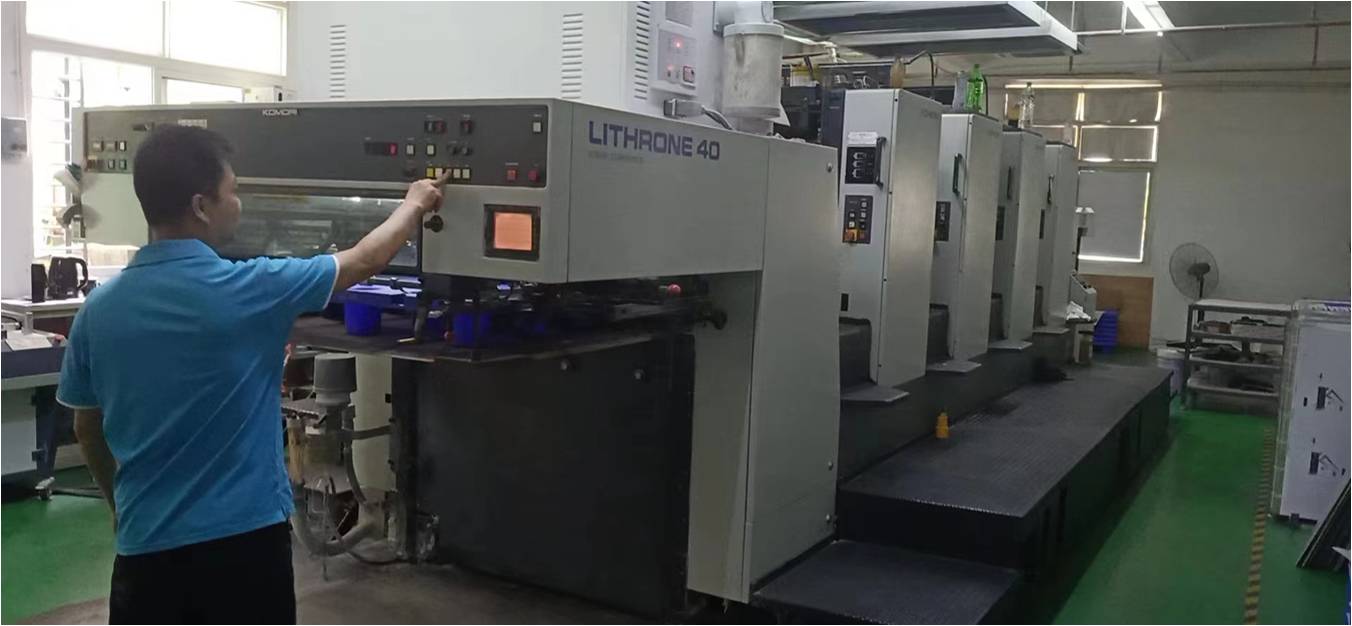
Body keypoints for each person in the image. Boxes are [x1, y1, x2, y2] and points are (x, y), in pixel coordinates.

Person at [56, 124, 443, 623]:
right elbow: (365, 259)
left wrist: (120, 508)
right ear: (201, 206)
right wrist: (416, 202)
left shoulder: (97, 311)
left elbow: (87, 427)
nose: (238, 205)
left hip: (145, 551)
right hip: (245, 548)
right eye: (233, 191)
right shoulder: (254, 289)